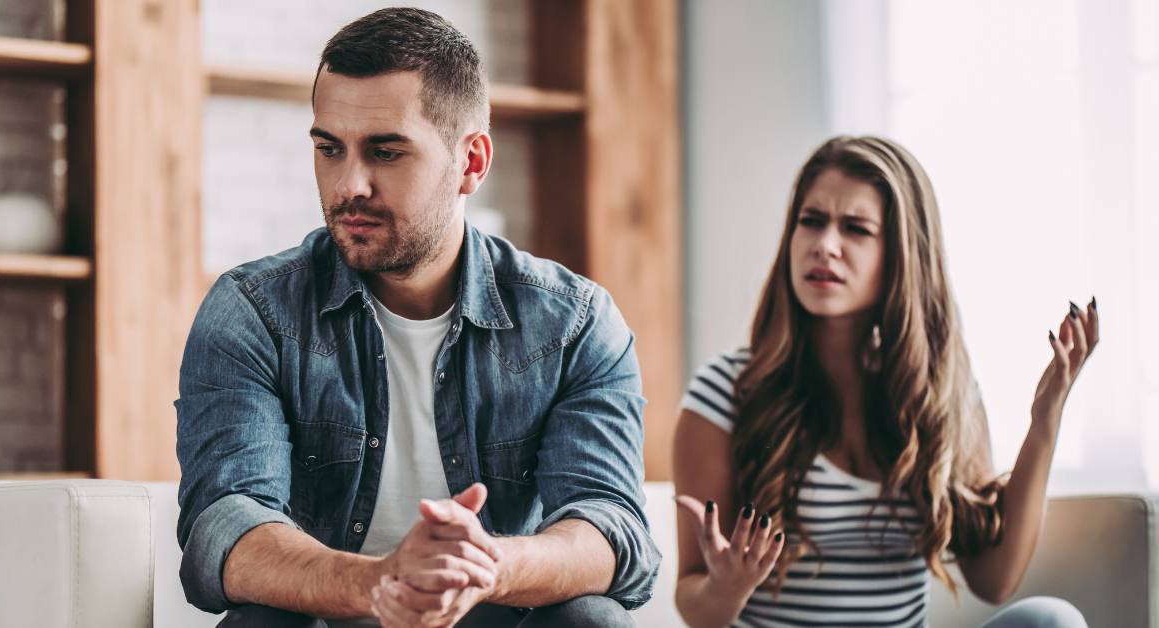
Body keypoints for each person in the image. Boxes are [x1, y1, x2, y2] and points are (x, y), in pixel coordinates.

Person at [175, 8, 657, 627]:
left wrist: (485, 567)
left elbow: (612, 528)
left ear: (472, 162)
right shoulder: (253, 311)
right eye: (329, 148)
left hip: (495, 617)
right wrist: (381, 581)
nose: (350, 184)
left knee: (593, 619)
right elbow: (225, 526)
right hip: (333, 616)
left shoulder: (574, 323)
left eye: (386, 152)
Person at [673, 136, 1097, 627]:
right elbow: (694, 606)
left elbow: (994, 580)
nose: (824, 245)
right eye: (810, 221)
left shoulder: (942, 392)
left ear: (902, 253)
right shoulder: (725, 392)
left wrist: (1045, 420)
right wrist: (728, 587)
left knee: (1050, 620)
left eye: (856, 229)